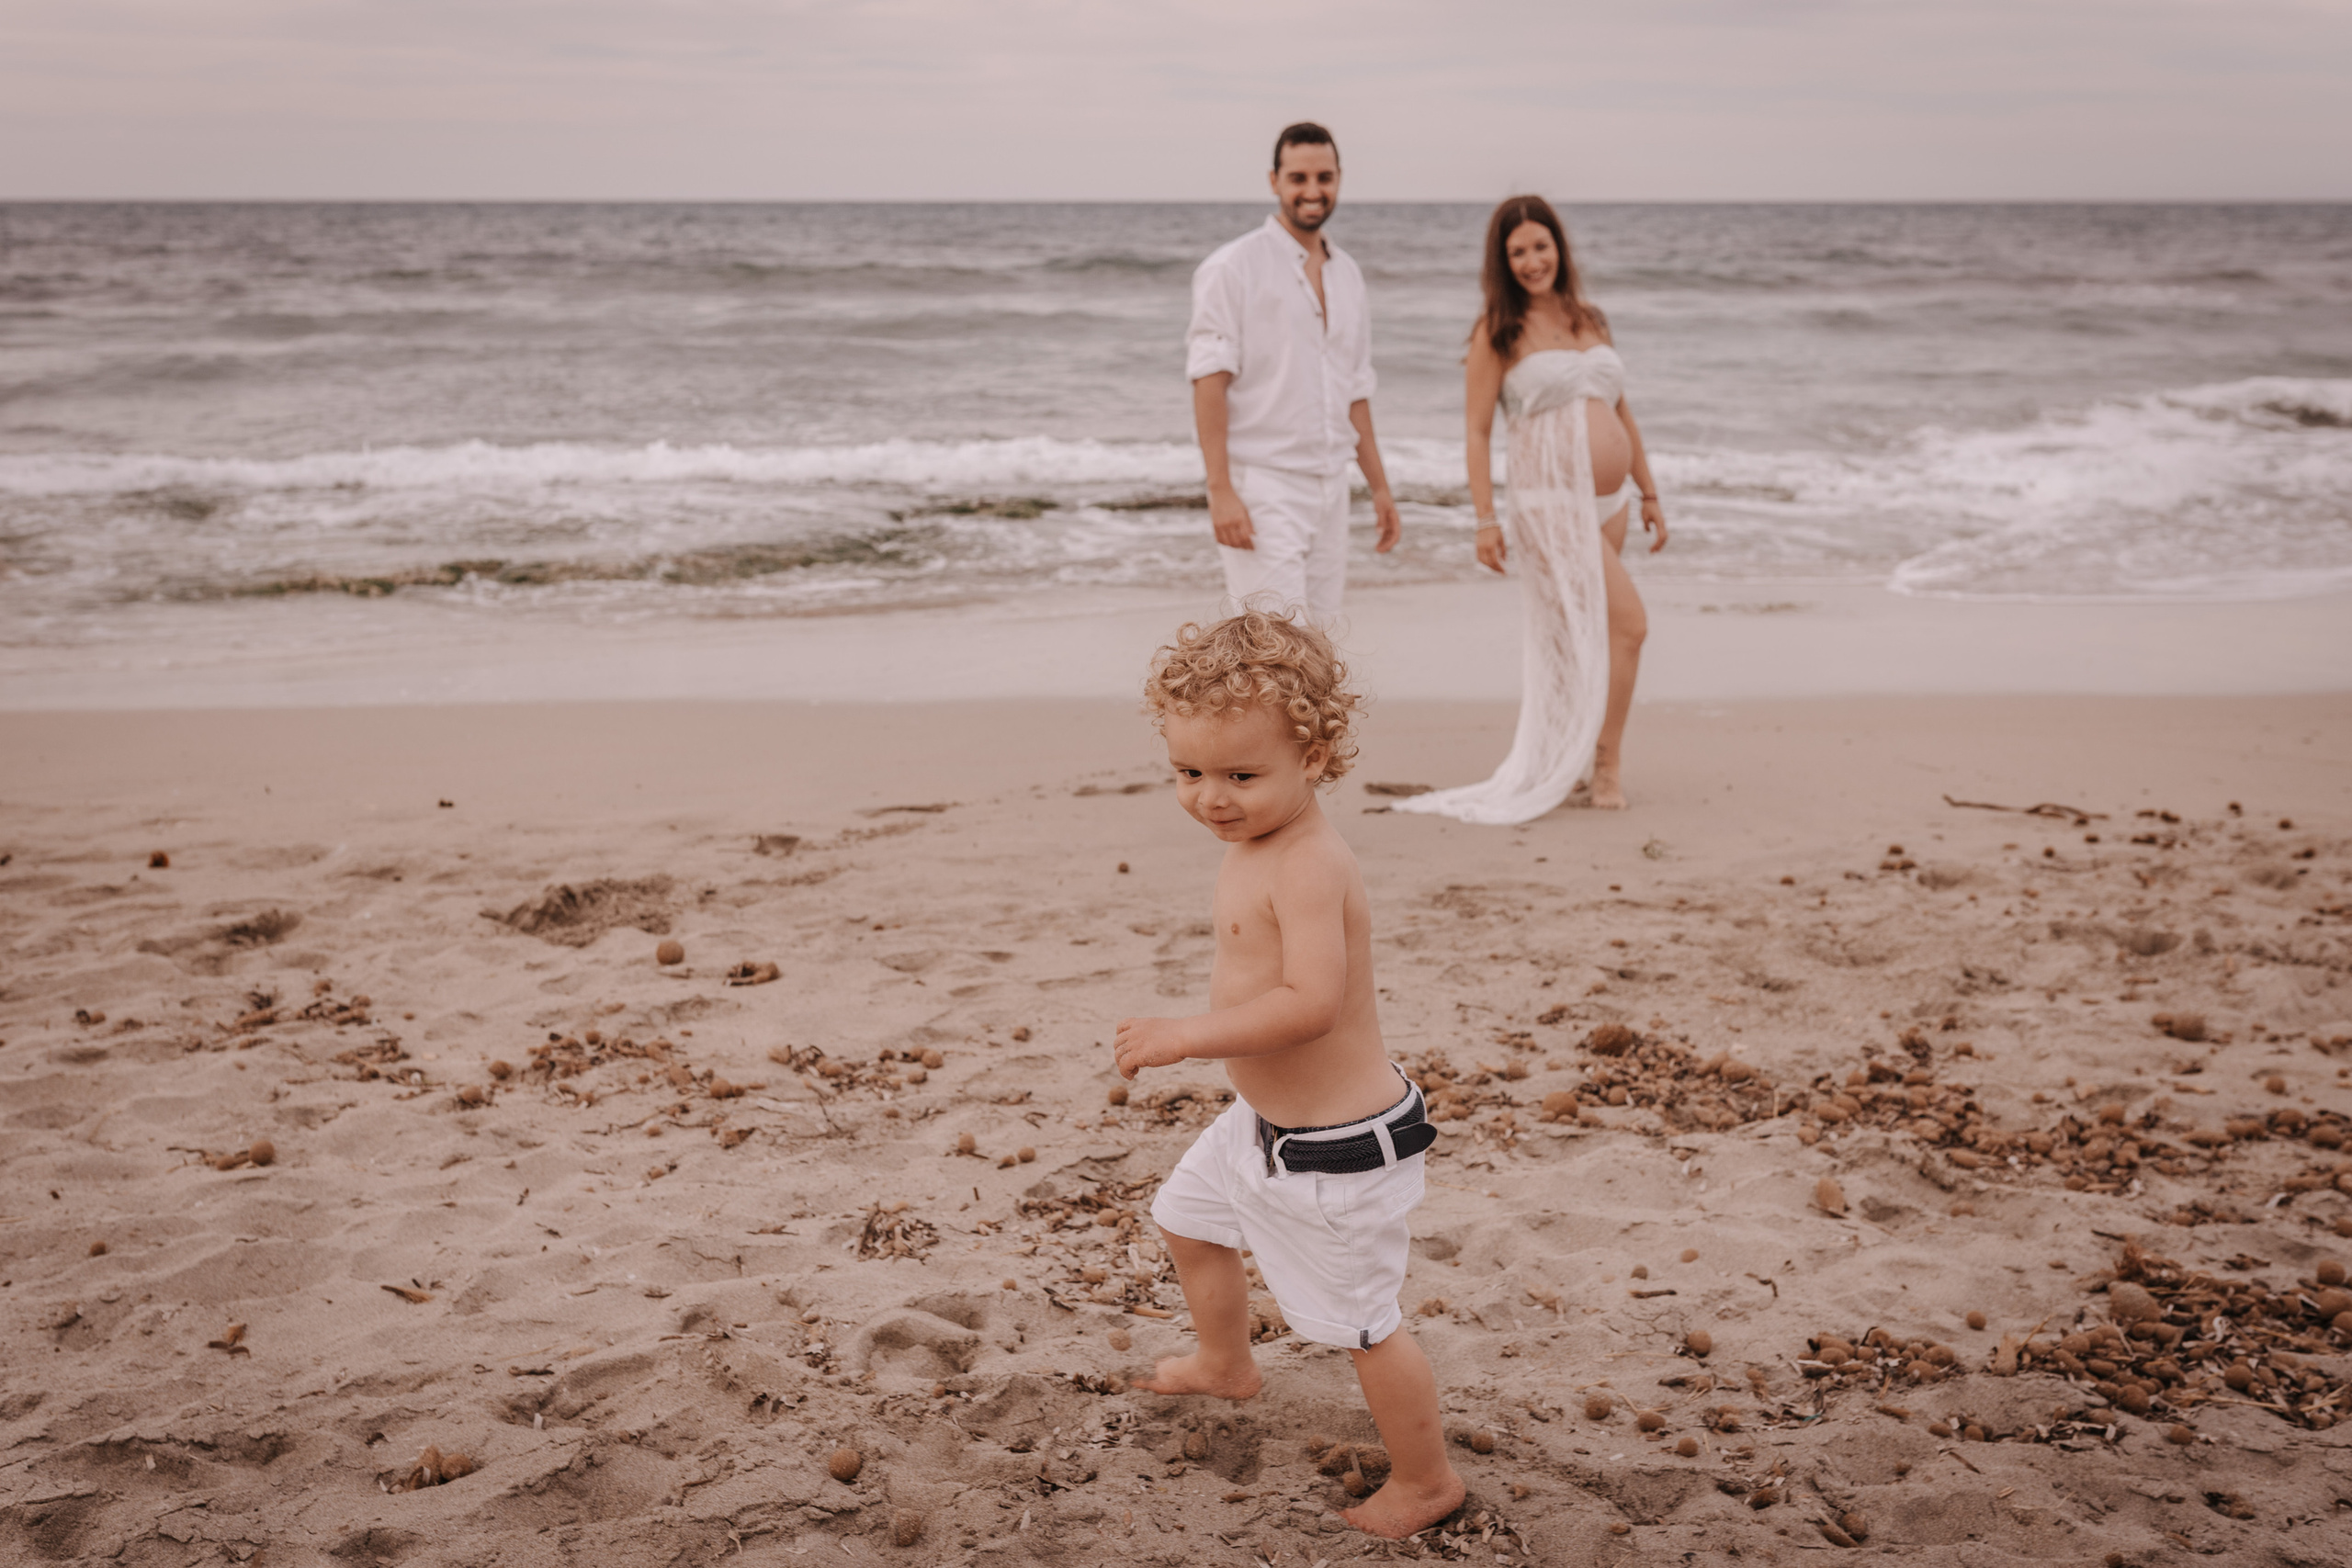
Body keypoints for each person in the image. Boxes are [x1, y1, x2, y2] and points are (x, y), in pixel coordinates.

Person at [1114, 611, 1464, 1540]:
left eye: (1240, 776)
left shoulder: (1308, 863)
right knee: (1186, 1219)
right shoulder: (1255, 843)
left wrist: (1189, 1035)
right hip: (1259, 1126)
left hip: (1333, 1149)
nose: (1211, 798)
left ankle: (1426, 1479)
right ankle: (1225, 1362)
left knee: (1363, 1326)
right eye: (1188, 773)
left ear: (1312, 759)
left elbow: (1311, 1002)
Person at [1395, 196, 1667, 821]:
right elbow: (1476, 432)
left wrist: (1649, 491)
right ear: (1503, 261)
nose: (1532, 261)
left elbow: (1621, 410)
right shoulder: (1497, 331)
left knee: (1582, 635)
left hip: (1610, 501)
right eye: (1517, 252)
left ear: (1558, 248)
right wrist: (1485, 519)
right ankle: (1606, 764)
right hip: (1549, 502)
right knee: (1630, 627)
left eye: (1540, 246)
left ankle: (1569, 755)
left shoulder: (1590, 318)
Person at [1187, 122, 1403, 623]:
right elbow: (1208, 380)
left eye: (1324, 177)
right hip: (1264, 486)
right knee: (1274, 647)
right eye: (1298, 177)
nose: (1312, 190)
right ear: (1274, 181)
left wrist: (1379, 486)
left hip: (1331, 486)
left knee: (1319, 647)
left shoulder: (1347, 273)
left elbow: (1355, 390)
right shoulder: (1233, 267)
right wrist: (1220, 490)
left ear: (1339, 179)